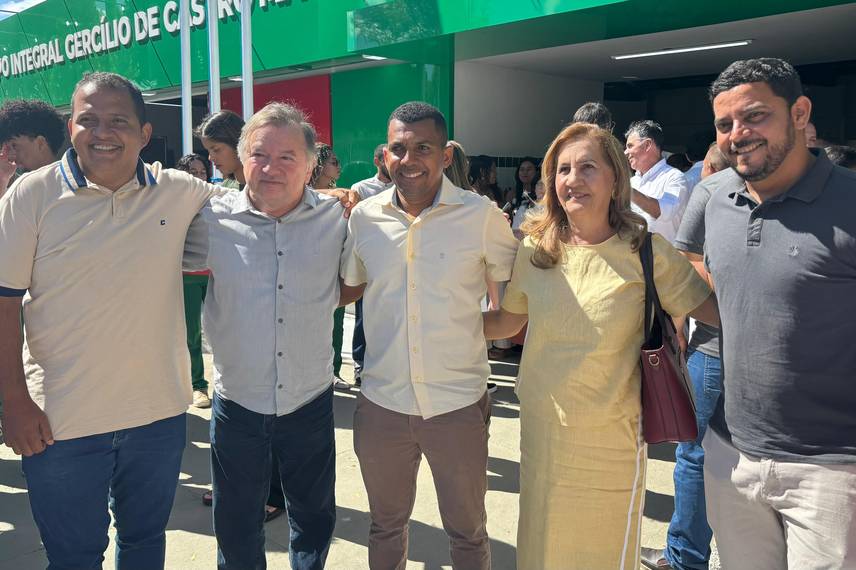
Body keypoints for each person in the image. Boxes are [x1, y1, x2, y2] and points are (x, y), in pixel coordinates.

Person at [0, 72, 217, 569]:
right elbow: (4, 301)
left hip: (157, 415)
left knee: (144, 544)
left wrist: (336, 199)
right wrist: (12, 401)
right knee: (74, 557)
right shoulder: (32, 196)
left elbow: (253, 209)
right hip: (60, 424)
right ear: (69, 126)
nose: (102, 133)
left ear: (143, 133)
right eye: (88, 120)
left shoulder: (180, 190)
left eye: (118, 121)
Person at [482, 122, 718, 570]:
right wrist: (440, 317)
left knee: (603, 554)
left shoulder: (646, 250)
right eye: (563, 169)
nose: (573, 179)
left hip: (613, 441)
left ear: (615, 178)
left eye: (588, 167)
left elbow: (716, 312)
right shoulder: (537, 249)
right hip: (545, 437)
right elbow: (509, 322)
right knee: (542, 547)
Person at [341, 101, 519, 569]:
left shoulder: (480, 216)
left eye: (423, 147)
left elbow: (514, 308)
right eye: (399, 148)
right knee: (384, 526)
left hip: (456, 404)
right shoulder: (365, 218)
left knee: (467, 532)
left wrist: (466, 330)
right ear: (385, 155)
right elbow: (349, 288)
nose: (409, 159)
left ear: (444, 156)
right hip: (383, 404)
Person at [185, 102, 362, 570]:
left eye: (288, 157)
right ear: (242, 161)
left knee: (314, 515)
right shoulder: (209, 220)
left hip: (310, 399)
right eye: (260, 155)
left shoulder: (339, 219)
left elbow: (354, 282)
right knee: (236, 521)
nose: (271, 167)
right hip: (238, 404)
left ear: (310, 165)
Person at [703, 58, 856, 569]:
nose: (738, 134)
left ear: (799, 113)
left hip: (832, 470)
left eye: (754, 117)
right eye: (725, 124)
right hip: (732, 454)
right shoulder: (718, 201)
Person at [641, 142, 729, 570]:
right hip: (734, 349)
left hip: (711, 349)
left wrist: (675, 329)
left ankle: (685, 560)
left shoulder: (706, 198)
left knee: (695, 456)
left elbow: (691, 270)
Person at [350, 144, 394, 387]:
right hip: (367, 260)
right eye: (387, 159)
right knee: (363, 314)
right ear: (378, 161)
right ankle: (360, 362)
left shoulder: (402, 188)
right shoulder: (362, 188)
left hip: (393, 259)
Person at [308, 142, 350, 390]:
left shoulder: (341, 197)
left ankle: (333, 372)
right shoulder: (300, 196)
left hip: (336, 269)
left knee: (337, 321)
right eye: (333, 162)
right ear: (319, 165)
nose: (339, 166)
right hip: (309, 272)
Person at [176, 153, 213, 408]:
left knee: (222, 331)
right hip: (186, 277)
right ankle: (197, 385)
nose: (199, 176)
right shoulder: (174, 202)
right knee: (191, 335)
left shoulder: (214, 198)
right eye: (193, 172)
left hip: (213, 275)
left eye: (202, 172)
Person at [624, 120, 690, 243]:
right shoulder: (631, 182)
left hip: (664, 260)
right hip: (632, 258)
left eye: (630, 146)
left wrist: (627, 190)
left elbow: (664, 212)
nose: (626, 152)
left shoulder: (675, 178)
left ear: (648, 145)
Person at [0, 99, 66, 196]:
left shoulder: (79, 185)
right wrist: (3, 178)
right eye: (6, 148)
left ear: (40, 143)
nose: (10, 156)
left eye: (14, 145)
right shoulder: (16, 191)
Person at [195, 110, 246, 189]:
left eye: (216, 149)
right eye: (208, 151)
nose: (210, 158)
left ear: (237, 143)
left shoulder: (265, 186)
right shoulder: (225, 188)